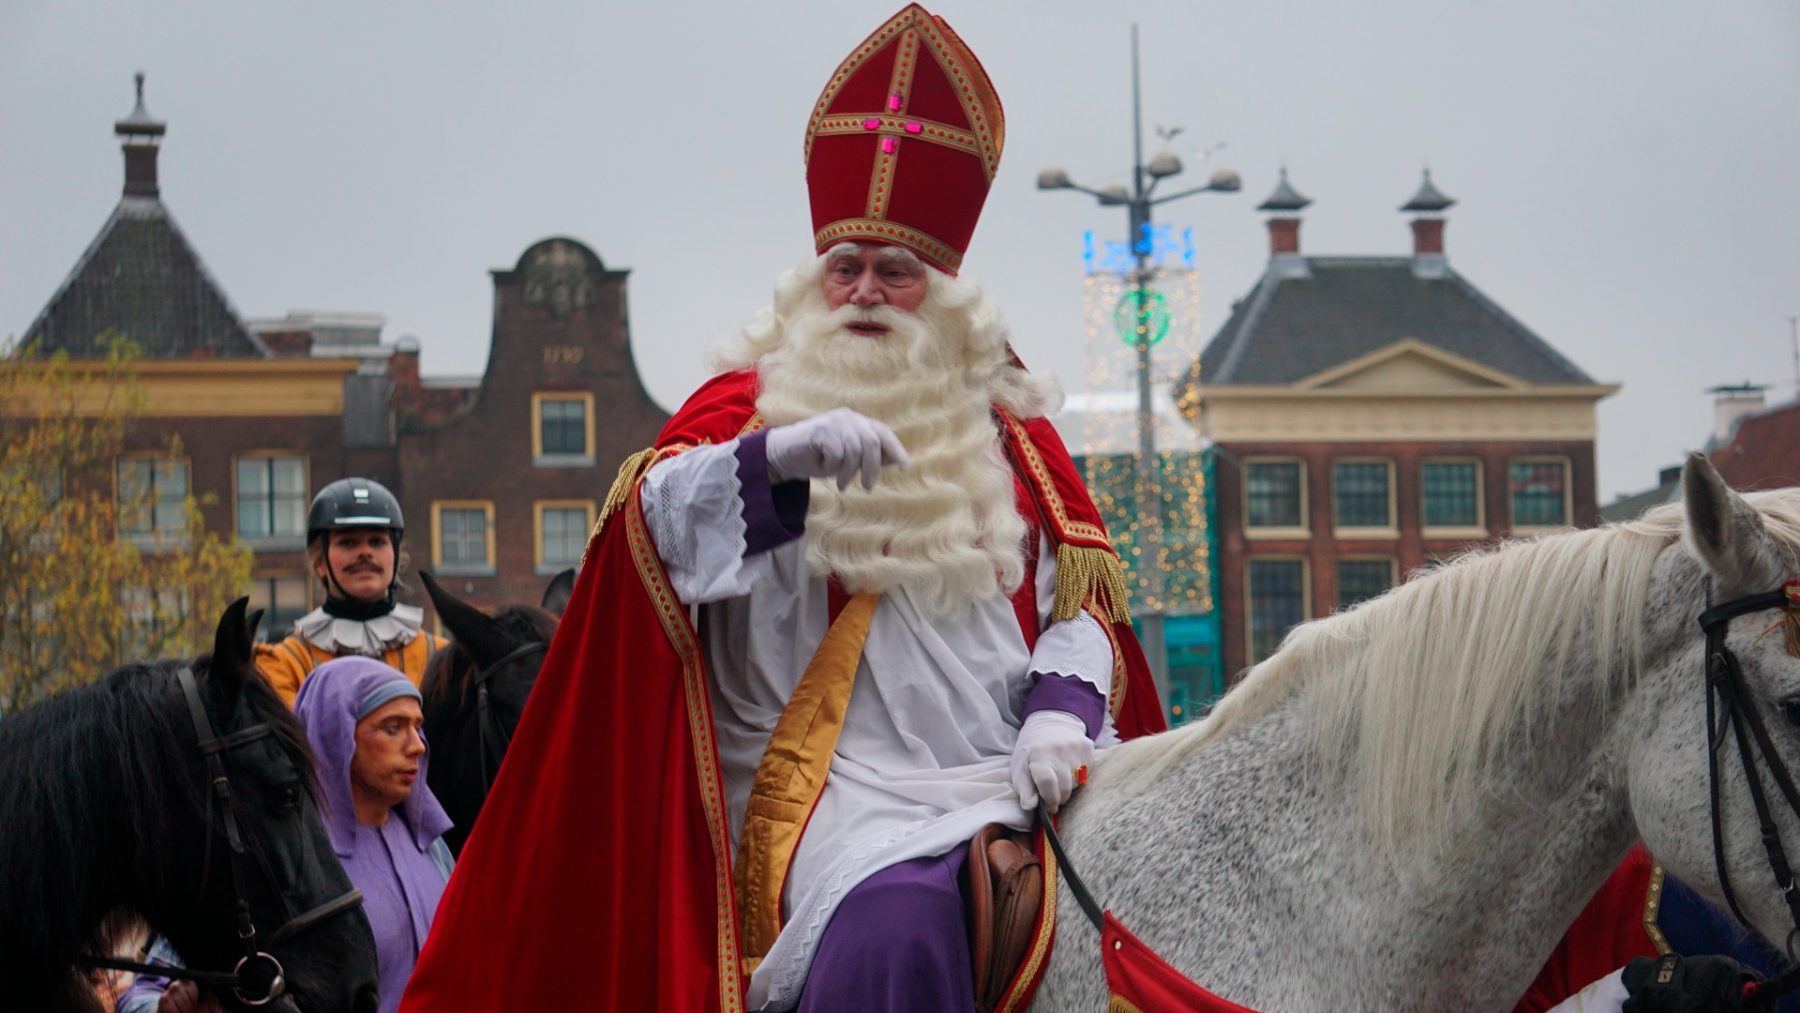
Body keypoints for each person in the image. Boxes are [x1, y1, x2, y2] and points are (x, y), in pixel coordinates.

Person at [402, 6, 1163, 1012]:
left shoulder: (1012, 434)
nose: (864, 293)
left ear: (945, 296)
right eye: (843, 268)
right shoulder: (741, 413)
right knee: (892, 934)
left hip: (1014, 769)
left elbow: (1085, 607)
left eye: (896, 271)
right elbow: (652, 531)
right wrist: (771, 472)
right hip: (836, 803)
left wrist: (1060, 712)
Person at [120, 656, 452, 1013]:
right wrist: (162, 1009)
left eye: (418, 726)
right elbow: (142, 993)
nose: (417, 744)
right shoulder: (277, 851)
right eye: (392, 727)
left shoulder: (432, 846)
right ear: (337, 735)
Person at [255, 477, 446, 707]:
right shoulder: (284, 664)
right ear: (320, 563)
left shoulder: (441, 657)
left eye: (377, 542)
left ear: (395, 556)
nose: (365, 552)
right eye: (348, 543)